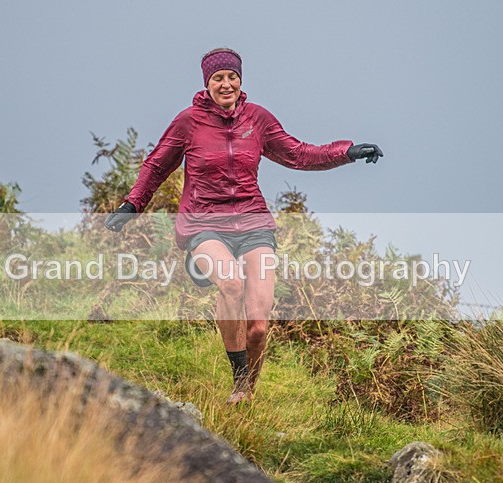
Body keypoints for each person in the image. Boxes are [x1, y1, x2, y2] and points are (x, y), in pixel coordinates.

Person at [105, 48, 382, 404]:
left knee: (258, 326)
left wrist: (346, 152)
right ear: (206, 84)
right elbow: (157, 165)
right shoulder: (188, 122)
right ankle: (238, 380)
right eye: (218, 78)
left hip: (253, 223)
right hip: (204, 223)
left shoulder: (258, 119)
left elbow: (298, 154)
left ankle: (247, 392)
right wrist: (133, 204)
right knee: (232, 285)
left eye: (232, 77)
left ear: (240, 80)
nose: (226, 84)